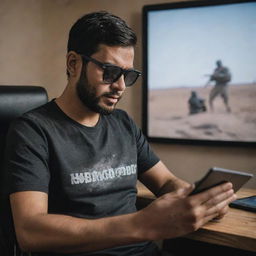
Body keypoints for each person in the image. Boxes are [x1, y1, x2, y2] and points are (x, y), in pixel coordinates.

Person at [5, 11, 236, 256]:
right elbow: (30, 232)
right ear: (73, 63)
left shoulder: (122, 122)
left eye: (127, 75)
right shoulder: (32, 131)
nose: (120, 86)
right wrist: (140, 224)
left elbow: (166, 182)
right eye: (110, 72)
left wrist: (199, 199)